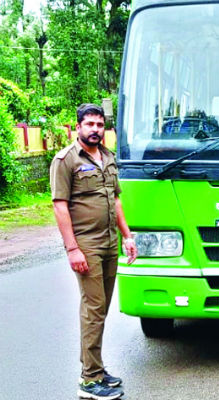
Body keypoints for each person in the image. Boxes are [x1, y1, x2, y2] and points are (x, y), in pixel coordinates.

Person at [50, 103, 137, 400]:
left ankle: (97, 369)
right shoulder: (65, 160)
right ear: (78, 127)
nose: (95, 130)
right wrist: (72, 248)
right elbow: (59, 205)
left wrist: (127, 236)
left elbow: (116, 200)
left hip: (109, 243)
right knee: (93, 309)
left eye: (100, 125)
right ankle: (88, 380)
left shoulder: (108, 158)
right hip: (86, 244)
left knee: (100, 309)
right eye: (89, 124)